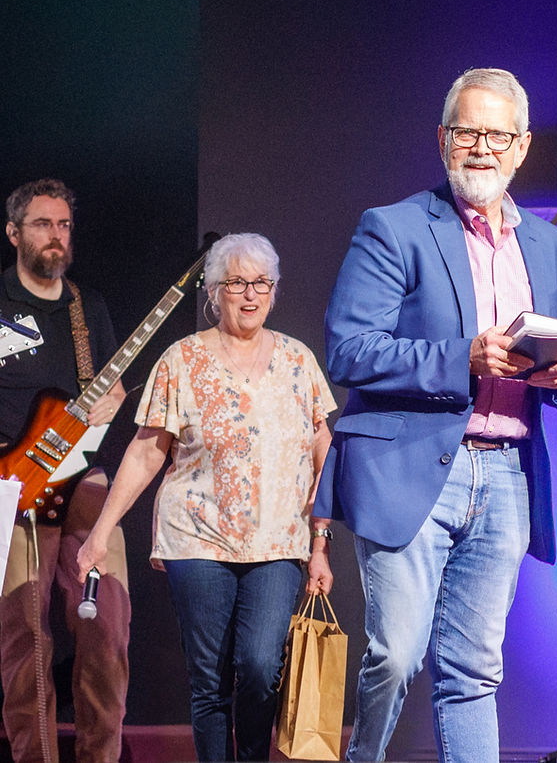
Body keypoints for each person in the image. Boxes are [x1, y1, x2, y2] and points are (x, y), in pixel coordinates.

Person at [313, 67, 557, 763]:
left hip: (507, 474)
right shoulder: (395, 227)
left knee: (473, 673)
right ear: (442, 139)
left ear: (522, 146)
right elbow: (348, 349)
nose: (481, 148)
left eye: (498, 135)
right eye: (467, 132)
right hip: (408, 467)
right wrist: (462, 358)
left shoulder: (549, 245)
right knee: (398, 655)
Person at [76, 233, 336, 762]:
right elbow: (146, 452)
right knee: (210, 679)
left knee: (260, 667)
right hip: (196, 537)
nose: (250, 294)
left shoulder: (298, 360)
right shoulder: (181, 359)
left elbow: (321, 448)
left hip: (278, 542)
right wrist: (100, 533)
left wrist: (320, 543)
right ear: (213, 293)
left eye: (262, 282)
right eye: (236, 282)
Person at [0, 178, 130, 763]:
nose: (56, 235)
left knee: (108, 626)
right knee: (24, 636)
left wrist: (114, 398)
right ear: (13, 233)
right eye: (42, 224)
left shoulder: (86, 308)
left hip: (83, 478)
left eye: (64, 225)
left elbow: (111, 386)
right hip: (10, 481)